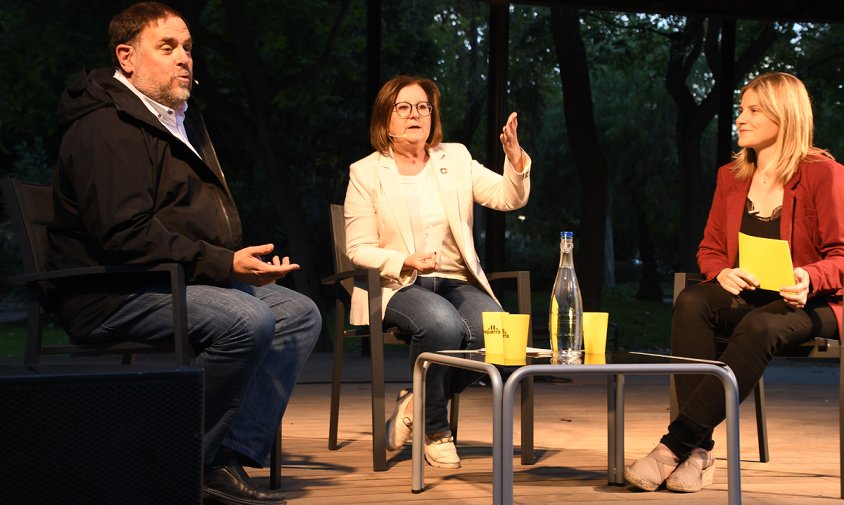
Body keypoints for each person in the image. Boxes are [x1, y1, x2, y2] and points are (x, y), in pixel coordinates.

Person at [47, 3, 320, 504]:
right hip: (110, 289)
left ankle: (219, 459)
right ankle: (173, 458)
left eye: (189, 48)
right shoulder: (104, 126)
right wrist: (222, 264)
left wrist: (236, 261)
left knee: (298, 313)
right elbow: (124, 233)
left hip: (170, 277)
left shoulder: (178, 121)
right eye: (168, 47)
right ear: (126, 57)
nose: (185, 59)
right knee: (245, 320)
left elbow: (179, 219)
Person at [625, 72, 844, 493]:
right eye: (742, 109)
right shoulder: (732, 176)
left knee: (758, 327)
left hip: (812, 301)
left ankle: (674, 447)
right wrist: (722, 271)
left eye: (753, 110)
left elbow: (841, 255)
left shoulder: (823, 174)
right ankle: (701, 452)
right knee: (692, 302)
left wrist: (808, 276)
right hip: (751, 295)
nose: (740, 119)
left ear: (785, 116)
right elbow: (709, 249)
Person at [343, 75, 531, 468]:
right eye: (404, 108)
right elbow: (358, 248)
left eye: (423, 107)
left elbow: (506, 197)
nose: (416, 115)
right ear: (386, 120)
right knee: (443, 326)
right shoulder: (366, 172)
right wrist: (404, 261)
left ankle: (415, 401)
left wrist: (515, 161)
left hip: (456, 280)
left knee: (496, 333)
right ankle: (435, 429)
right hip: (397, 283)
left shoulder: (456, 158)